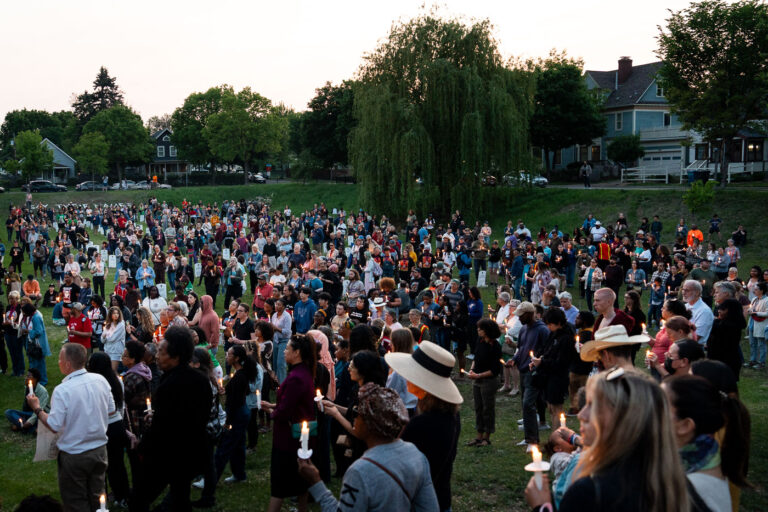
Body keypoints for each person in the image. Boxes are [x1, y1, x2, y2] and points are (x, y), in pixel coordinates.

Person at [524, 368, 690, 512]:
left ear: (623, 420)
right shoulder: (667, 479)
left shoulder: (591, 491)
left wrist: (542, 506)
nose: (581, 415)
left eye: (593, 407)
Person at [298, 383, 440, 512]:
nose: (355, 418)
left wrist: (316, 483)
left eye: (359, 413)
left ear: (369, 424)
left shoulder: (360, 471)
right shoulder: (417, 456)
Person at [129, 327, 213, 512]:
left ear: (176, 357)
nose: (156, 356)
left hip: (169, 453)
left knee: (139, 498)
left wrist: (142, 447)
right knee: (180, 497)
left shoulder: (170, 385)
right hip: (192, 451)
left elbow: (164, 427)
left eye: (161, 352)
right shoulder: (201, 380)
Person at [26, 343, 116, 512]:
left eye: (60, 359)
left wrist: (37, 409)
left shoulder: (62, 390)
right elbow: (111, 410)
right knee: (98, 498)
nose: (58, 362)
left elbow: (54, 424)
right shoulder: (101, 380)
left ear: (67, 364)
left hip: (75, 454)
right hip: (99, 450)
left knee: (76, 501)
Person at [386, 340, 462, 512]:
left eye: (411, 374)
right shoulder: (451, 414)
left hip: (421, 502)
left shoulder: (424, 423)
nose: (406, 377)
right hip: (441, 497)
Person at [663, 375, 751, 512]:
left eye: (659, 405)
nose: (649, 409)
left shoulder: (690, 492)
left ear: (685, 425)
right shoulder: (703, 459)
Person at [260, 334, 317, 512]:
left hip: (289, 438)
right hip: (302, 434)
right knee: (301, 482)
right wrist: (274, 405)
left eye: (287, 349)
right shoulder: (304, 372)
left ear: (297, 352)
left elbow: (285, 411)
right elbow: (294, 402)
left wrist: (271, 412)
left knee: (279, 485)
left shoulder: (295, 378)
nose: (284, 351)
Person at [87, 352, 130, 508]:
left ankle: (102, 497)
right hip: (117, 425)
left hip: (103, 427)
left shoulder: (95, 385)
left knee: (101, 466)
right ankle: (122, 495)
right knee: (117, 464)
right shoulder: (118, 381)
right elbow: (122, 406)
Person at [213, 345, 257, 486]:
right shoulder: (240, 374)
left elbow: (234, 403)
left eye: (229, 354)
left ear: (237, 358)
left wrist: (227, 423)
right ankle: (239, 475)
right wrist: (226, 390)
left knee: (224, 446)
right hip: (242, 413)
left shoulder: (239, 377)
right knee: (238, 446)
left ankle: (211, 479)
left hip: (237, 414)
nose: (226, 356)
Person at [512, 301, 550, 449]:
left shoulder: (542, 330)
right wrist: (514, 359)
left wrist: (538, 363)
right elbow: (521, 348)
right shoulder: (523, 329)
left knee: (529, 403)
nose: (519, 319)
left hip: (534, 372)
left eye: (521, 316)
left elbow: (547, 350)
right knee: (525, 404)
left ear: (529, 314)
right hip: (523, 370)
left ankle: (533, 440)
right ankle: (528, 438)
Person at [580, 324, 648, 371]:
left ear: (606, 355)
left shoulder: (606, 387)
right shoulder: (648, 383)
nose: (601, 362)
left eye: (600, 357)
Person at [708, 298, 747, 380]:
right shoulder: (733, 324)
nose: (719, 311)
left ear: (731, 311)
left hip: (725, 360)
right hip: (728, 360)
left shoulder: (726, 326)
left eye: (723, 309)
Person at [5, 368, 49, 433]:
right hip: (28, 413)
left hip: (39, 414)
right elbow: (25, 405)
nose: (26, 378)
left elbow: (40, 410)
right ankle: (30, 428)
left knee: (40, 419)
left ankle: (22, 426)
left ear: (35, 379)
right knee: (9, 412)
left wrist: (29, 422)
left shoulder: (43, 392)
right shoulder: (27, 387)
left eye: (29, 376)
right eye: (26, 376)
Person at [22, 301, 51, 385]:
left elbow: (39, 331)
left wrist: (28, 331)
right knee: (33, 362)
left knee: (39, 363)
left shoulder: (36, 317)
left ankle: (42, 381)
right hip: (33, 343)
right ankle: (35, 380)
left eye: (24, 312)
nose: (24, 313)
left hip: (38, 345)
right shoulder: (32, 316)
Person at [682, 279, 714, 346]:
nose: (683, 293)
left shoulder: (704, 311)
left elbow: (697, 336)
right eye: (683, 289)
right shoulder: (685, 306)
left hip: (694, 347)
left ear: (697, 292)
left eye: (687, 290)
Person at [746, 281, 768, 369]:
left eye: (756, 289)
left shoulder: (766, 300)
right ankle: (753, 360)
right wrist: (750, 310)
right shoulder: (754, 299)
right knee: (752, 343)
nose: (754, 291)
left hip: (761, 324)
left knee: (761, 344)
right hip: (752, 323)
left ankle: (761, 362)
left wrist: (756, 313)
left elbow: (767, 313)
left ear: (762, 290)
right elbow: (751, 308)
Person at [101, 306, 126, 372]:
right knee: (107, 371)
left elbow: (113, 338)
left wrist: (105, 336)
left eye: (117, 313)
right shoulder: (108, 325)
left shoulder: (121, 325)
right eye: (114, 313)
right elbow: (102, 340)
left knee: (113, 371)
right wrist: (104, 337)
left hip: (116, 351)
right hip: (107, 350)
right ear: (110, 315)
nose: (116, 315)